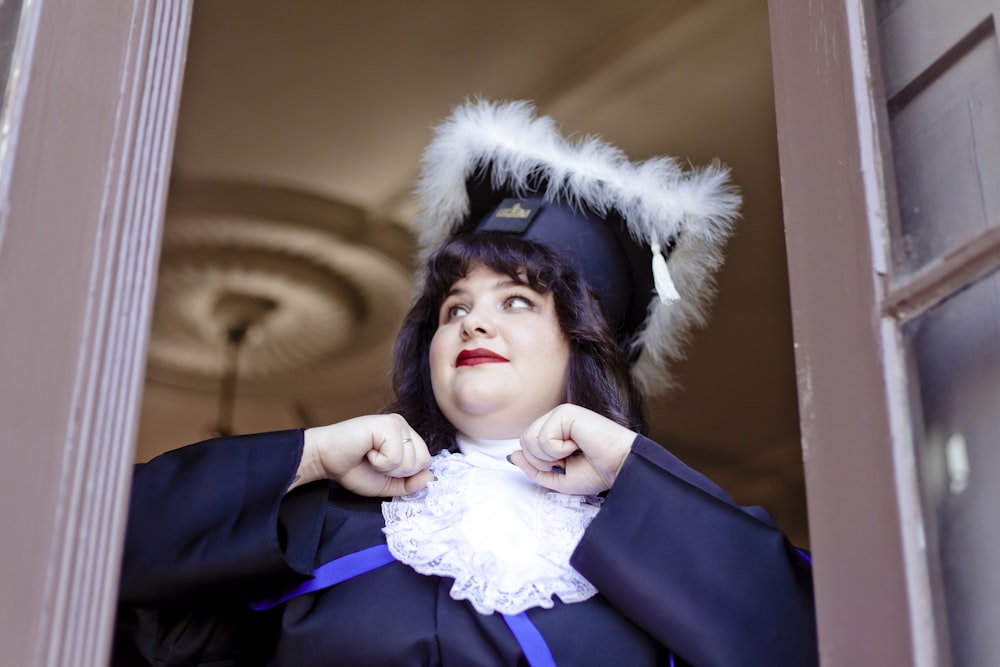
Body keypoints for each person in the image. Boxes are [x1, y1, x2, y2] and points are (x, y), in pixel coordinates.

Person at [112, 100, 817, 667]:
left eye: (517, 300)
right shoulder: (332, 519)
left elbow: (813, 641)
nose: (473, 324)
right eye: (455, 308)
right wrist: (313, 456)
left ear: (586, 339)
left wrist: (631, 470)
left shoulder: (674, 556)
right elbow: (98, 548)